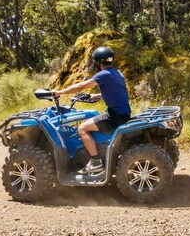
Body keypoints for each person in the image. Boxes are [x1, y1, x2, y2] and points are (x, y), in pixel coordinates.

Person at [53, 46, 131, 175]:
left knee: (82, 128)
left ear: (98, 62)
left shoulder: (104, 74)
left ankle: (95, 162)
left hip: (115, 116)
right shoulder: (118, 73)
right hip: (122, 113)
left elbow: (80, 86)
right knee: (93, 119)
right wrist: (96, 96)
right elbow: (117, 92)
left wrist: (59, 92)